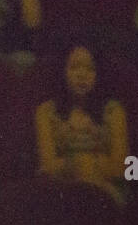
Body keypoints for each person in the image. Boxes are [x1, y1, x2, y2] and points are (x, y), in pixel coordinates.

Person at [34, 43, 128, 200]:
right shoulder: (46, 111)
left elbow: (122, 167)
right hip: (61, 190)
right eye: (74, 67)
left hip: (105, 191)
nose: (82, 75)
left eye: (90, 69)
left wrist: (83, 165)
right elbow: (48, 165)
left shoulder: (114, 111)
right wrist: (83, 164)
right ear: (63, 72)